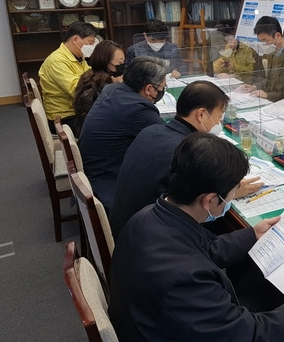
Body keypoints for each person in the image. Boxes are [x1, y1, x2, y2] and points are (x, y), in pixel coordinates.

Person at [108, 132, 284, 342]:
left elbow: (203, 251)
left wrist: (252, 234)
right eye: (231, 195)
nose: (231, 200)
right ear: (209, 200)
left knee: (261, 296)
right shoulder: (184, 280)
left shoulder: (149, 215)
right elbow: (251, 338)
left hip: (161, 330)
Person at [110, 80, 264, 238]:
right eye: (219, 116)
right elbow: (200, 207)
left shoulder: (151, 130)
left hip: (125, 226)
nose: (219, 123)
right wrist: (228, 194)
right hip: (148, 240)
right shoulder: (187, 154)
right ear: (201, 114)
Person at [78, 56, 167, 210]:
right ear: (148, 89)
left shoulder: (113, 89)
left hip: (95, 172)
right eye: (161, 88)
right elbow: (168, 144)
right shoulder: (138, 109)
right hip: (109, 184)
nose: (162, 91)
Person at [38, 21, 98, 131]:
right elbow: (77, 90)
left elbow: (90, 77)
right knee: (108, 125)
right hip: (64, 118)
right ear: (76, 40)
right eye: (90, 43)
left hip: (76, 111)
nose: (92, 47)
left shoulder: (79, 57)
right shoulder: (57, 61)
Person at [238, 16, 284, 101]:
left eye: (265, 40)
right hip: (271, 101)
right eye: (261, 41)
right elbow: (269, 81)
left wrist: (268, 95)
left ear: (277, 35)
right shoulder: (272, 53)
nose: (264, 44)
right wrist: (254, 87)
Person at [72, 40, 125, 137]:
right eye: (119, 63)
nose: (123, 66)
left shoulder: (90, 75)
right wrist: (116, 87)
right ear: (105, 63)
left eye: (123, 62)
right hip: (100, 135)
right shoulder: (103, 86)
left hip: (86, 131)